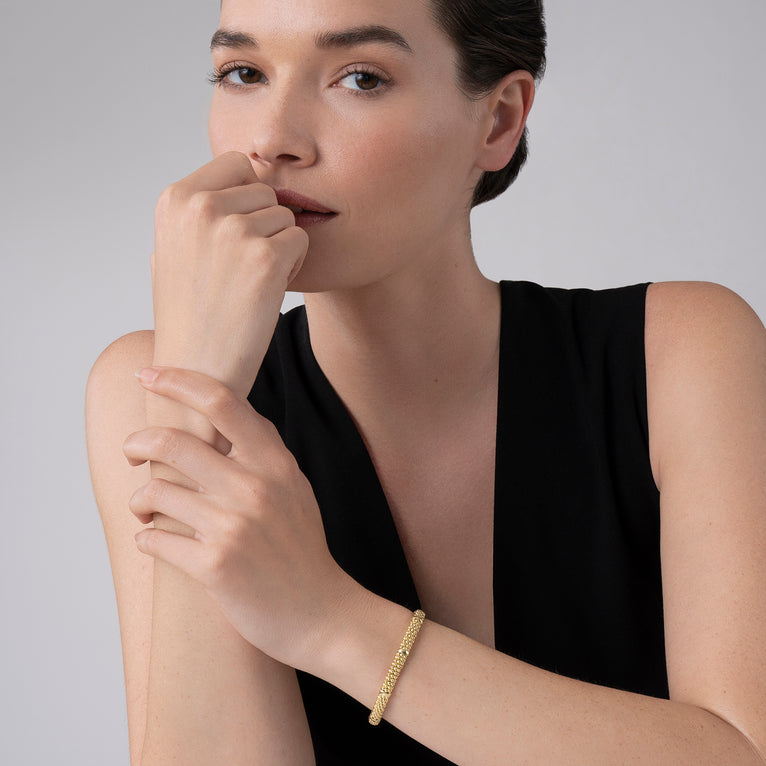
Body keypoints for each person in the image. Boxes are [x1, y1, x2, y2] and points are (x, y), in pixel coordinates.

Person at [85, 0, 766, 764]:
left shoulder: (677, 353)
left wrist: (329, 620)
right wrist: (197, 387)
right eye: (243, 73)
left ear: (498, 121)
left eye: (359, 78)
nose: (272, 140)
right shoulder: (149, 387)